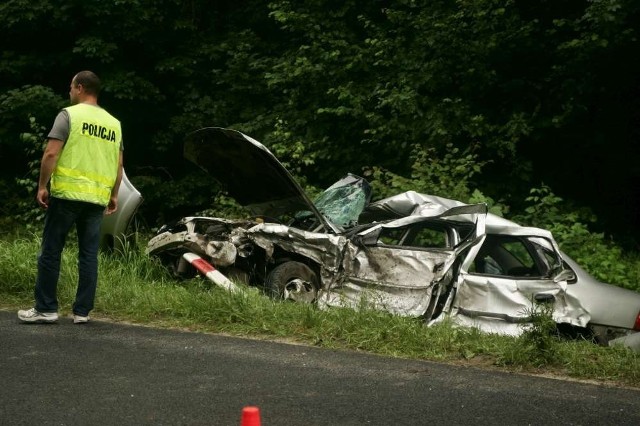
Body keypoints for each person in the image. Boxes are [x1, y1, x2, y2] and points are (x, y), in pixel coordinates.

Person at [18, 70, 124, 324]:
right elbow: (119, 165)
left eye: (70, 87)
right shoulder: (114, 123)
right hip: (96, 199)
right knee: (88, 255)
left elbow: (51, 154)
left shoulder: (69, 115)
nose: (69, 91)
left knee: (51, 250)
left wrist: (42, 185)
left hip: (67, 195)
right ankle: (82, 312)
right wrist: (114, 194)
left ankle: (46, 309)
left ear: (79, 87)